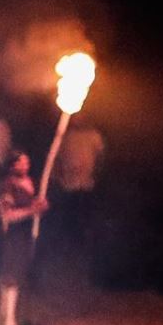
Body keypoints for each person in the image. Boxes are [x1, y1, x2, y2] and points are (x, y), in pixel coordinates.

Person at [0, 149, 48, 325]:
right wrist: (31, 211)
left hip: (26, 234)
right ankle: (8, 320)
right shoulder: (7, 186)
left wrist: (39, 205)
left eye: (27, 162)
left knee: (19, 274)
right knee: (11, 276)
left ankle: (9, 315)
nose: (26, 165)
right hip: (13, 234)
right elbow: (8, 215)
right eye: (22, 162)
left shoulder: (28, 182)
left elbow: (32, 204)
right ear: (13, 165)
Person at [49, 113, 105, 285]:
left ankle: (83, 250)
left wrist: (95, 175)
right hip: (68, 185)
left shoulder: (94, 136)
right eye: (76, 117)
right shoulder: (64, 136)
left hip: (86, 184)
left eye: (82, 117)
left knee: (84, 218)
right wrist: (58, 176)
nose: (79, 120)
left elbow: (101, 157)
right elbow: (55, 158)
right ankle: (67, 249)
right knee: (68, 218)